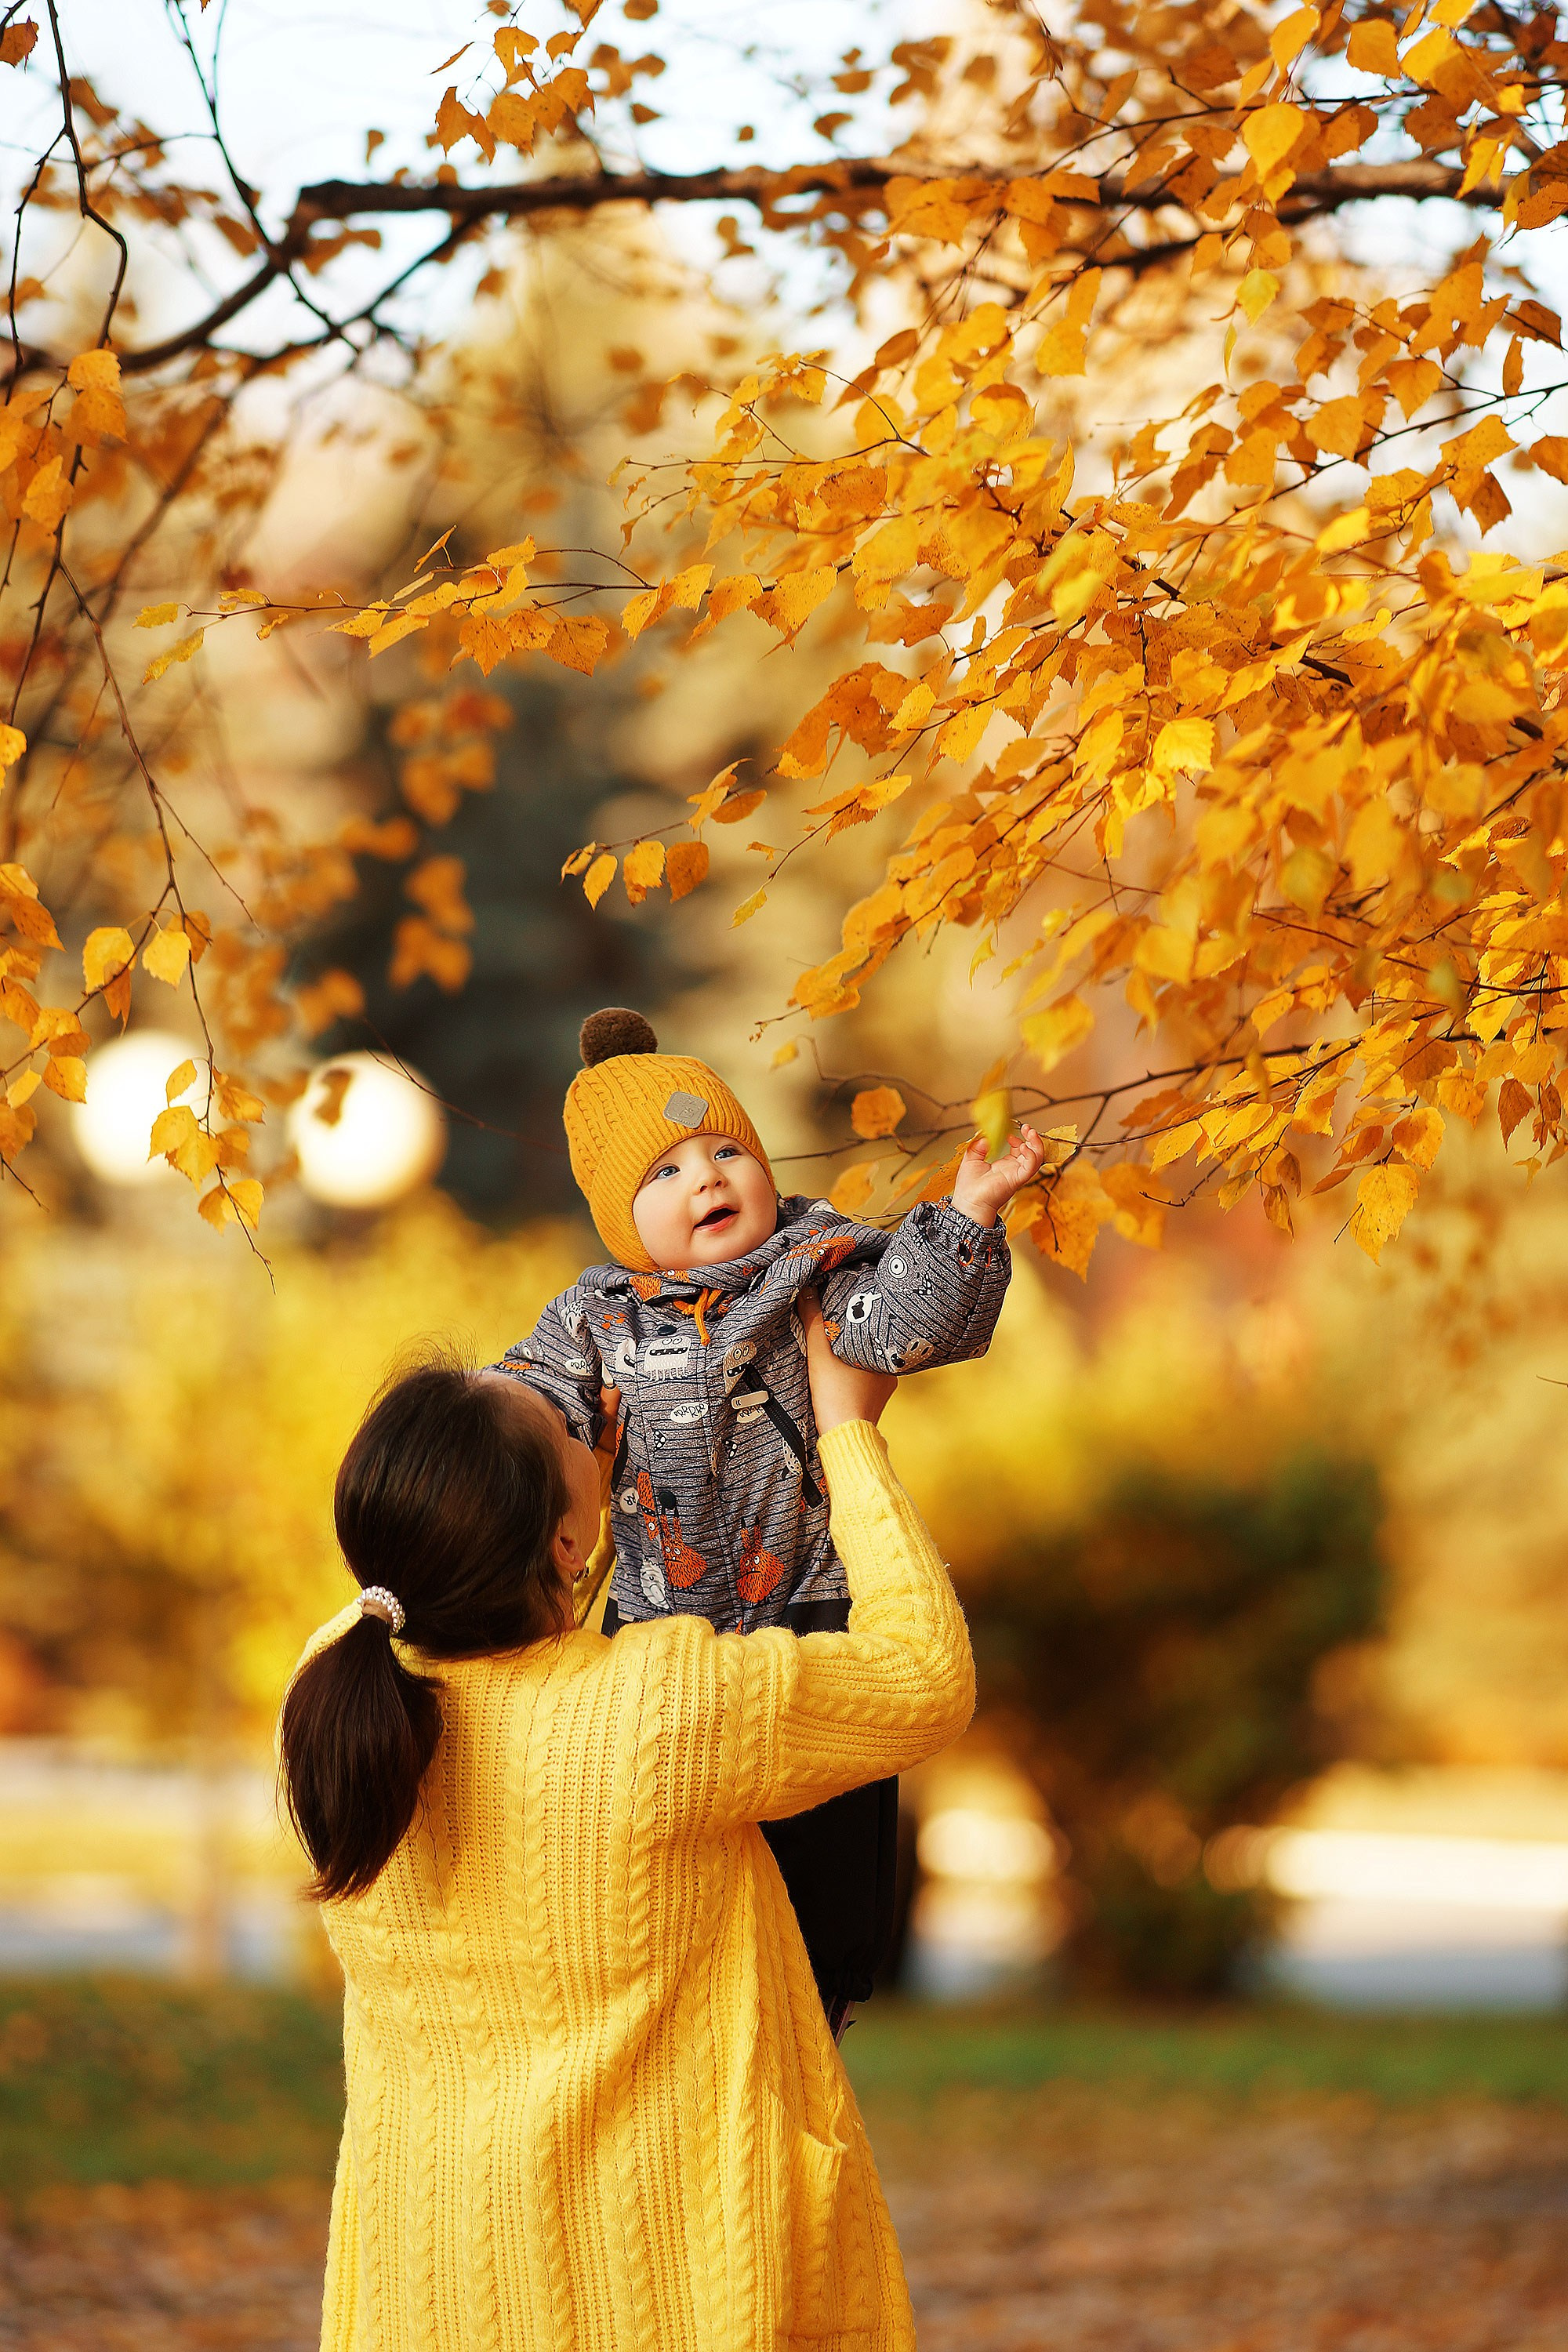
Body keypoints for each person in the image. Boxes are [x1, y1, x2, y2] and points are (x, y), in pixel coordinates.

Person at [279, 1302, 974, 2350]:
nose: (590, 1415)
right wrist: (847, 1436)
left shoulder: (331, 1692)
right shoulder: (664, 1714)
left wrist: (567, 1506)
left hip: (430, 2292)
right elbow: (924, 1676)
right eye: (569, 1429)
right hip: (670, 2291)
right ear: (563, 1538)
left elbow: (510, 1648)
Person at [491, 1007, 1043, 2028]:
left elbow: (909, 1326)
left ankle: (818, 2011)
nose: (707, 1177)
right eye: (666, 1172)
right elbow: (528, 1405)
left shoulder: (815, 1270)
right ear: (620, 1220)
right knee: (679, 1889)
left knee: (818, 1899)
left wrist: (969, 1214)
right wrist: (476, 1433)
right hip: (662, 1650)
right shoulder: (597, 1315)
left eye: (726, 1149)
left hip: (812, 1629)